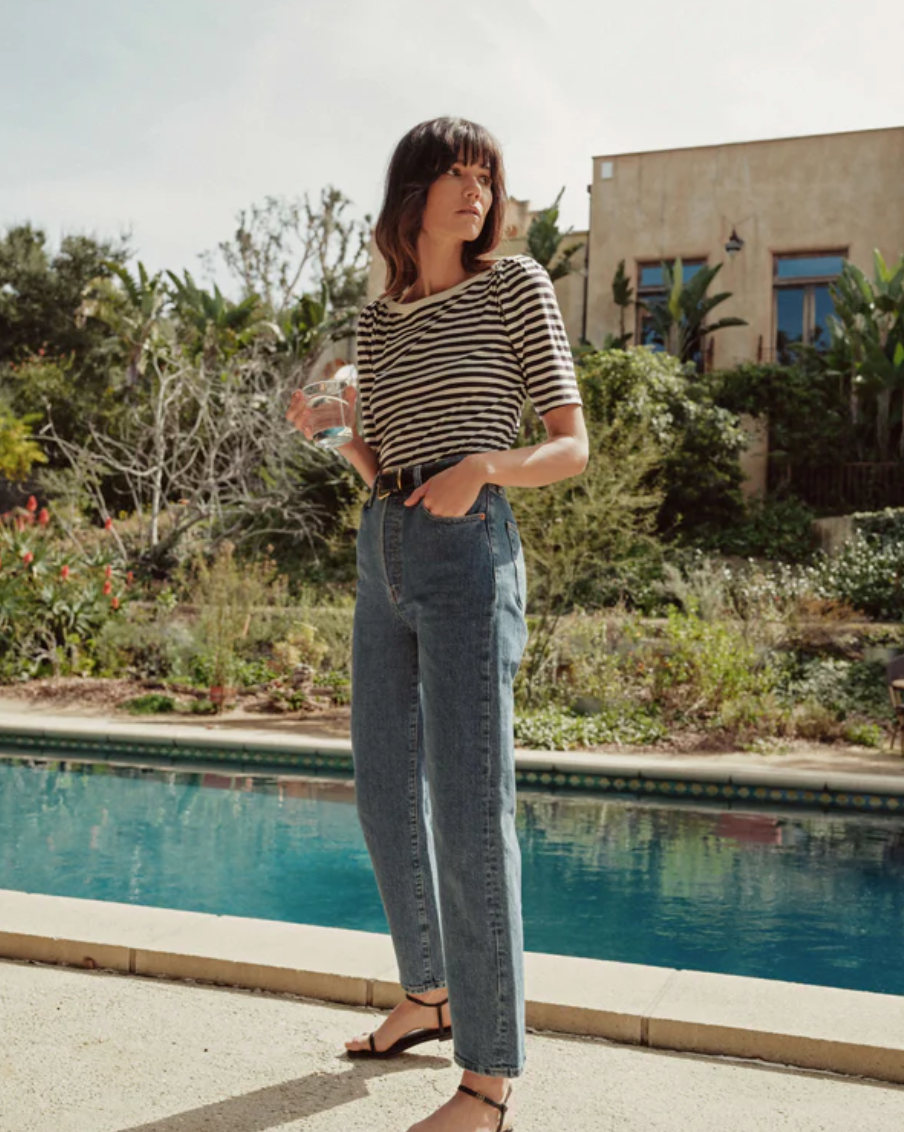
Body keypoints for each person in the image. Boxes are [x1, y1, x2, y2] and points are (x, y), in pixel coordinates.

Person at [287, 116, 588, 1132]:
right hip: (387, 548)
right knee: (381, 795)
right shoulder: (379, 324)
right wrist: (335, 432)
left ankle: (488, 1083)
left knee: (469, 813)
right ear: (410, 193)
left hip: (470, 551)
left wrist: (484, 467)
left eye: (486, 176)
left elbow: (570, 445)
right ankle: (427, 992)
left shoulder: (517, 286)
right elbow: (378, 461)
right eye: (454, 174)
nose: (475, 191)